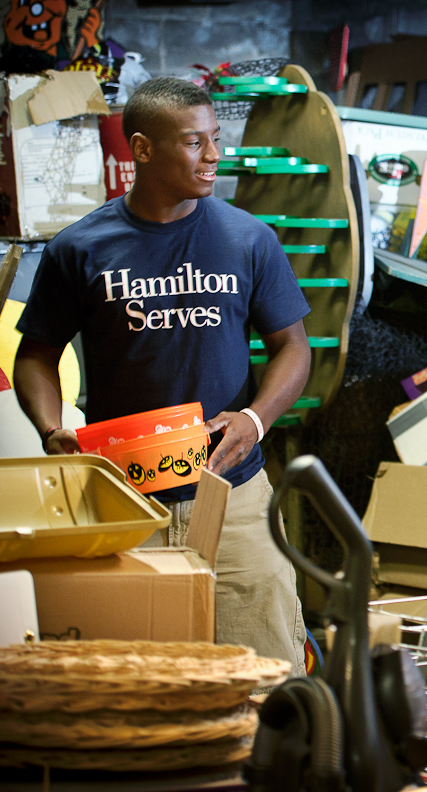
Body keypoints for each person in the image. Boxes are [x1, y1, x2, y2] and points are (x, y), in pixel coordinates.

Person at [14, 78, 311, 671]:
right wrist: (53, 429)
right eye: (194, 143)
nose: (213, 156)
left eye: (216, 139)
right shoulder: (79, 249)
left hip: (232, 495)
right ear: (143, 149)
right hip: (124, 501)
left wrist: (256, 419)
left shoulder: (248, 239)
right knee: (134, 677)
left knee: (268, 673)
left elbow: (292, 347)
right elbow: (35, 355)